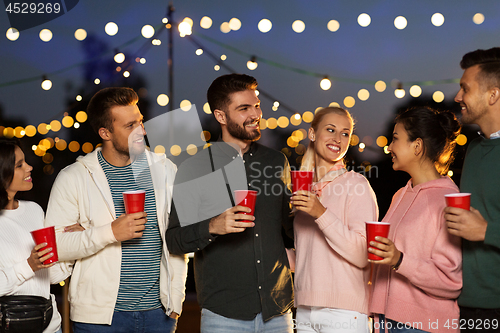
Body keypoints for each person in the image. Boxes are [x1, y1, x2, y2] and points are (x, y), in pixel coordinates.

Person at [44, 87, 188, 333]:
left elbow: (177, 239)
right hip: (98, 319)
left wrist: (176, 298)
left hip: (159, 315)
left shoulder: (165, 170)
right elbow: (53, 248)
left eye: (141, 122)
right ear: (105, 132)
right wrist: (109, 232)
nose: (141, 131)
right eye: (130, 125)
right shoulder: (74, 177)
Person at [166, 73, 294, 333]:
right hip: (224, 315)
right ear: (221, 116)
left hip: (277, 311)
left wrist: (307, 210)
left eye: (256, 105)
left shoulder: (276, 162)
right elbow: (174, 239)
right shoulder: (195, 168)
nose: (255, 113)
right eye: (244, 108)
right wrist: (213, 225)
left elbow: (292, 230)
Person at [369, 107, 463, 333]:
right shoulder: (400, 195)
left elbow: (451, 281)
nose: (389, 147)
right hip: (386, 321)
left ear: (417, 146)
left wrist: (400, 260)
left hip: (422, 326)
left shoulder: (448, 200)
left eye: (395, 139)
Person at [290, 107, 378, 333]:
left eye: (345, 133)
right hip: (304, 310)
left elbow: (362, 254)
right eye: (331, 130)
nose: (338, 139)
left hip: (344, 312)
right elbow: (310, 256)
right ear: (312, 134)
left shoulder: (356, 185)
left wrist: (321, 213)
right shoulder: (305, 191)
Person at [444, 47, 500, 331]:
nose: (458, 97)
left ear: (493, 95)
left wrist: (485, 231)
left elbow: (483, 226)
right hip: (468, 306)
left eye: (465, 88)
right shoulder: (476, 148)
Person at [0, 139, 80, 333]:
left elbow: (49, 277)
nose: (29, 167)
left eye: (25, 162)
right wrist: (29, 265)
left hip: (50, 326)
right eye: (19, 165)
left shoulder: (34, 210)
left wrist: (73, 247)